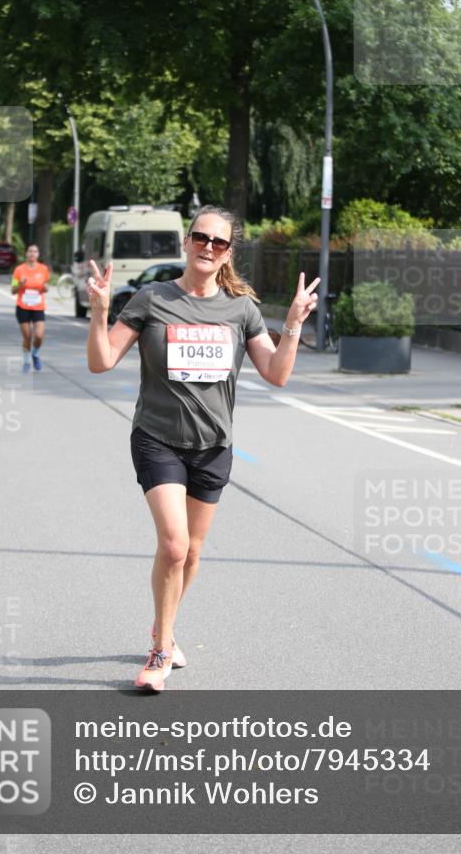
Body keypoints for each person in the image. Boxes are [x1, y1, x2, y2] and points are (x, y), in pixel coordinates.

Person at [86, 205, 319, 692]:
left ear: (229, 253)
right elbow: (102, 361)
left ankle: (163, 625)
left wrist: (294, 322)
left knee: (191, 553)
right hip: (157, 439)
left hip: (213, 446)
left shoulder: (241, 310)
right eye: (201, 237)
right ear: (186, 241)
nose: (208, 247)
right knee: (173, 545)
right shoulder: (152, 299)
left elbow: (276, 374)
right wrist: (101, 310)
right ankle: (160, 651)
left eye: (219, 242)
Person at [11, 244, 50, 372]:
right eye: (30, 251)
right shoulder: (18, 270)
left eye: (35, 251)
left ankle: (35, 354)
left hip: (38, 307)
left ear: (38, 254)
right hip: (23, 307)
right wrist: (20, 285)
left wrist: (45, 288)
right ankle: (27, 361)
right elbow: (13, 290)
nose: (32, 253)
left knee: (38, 336)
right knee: (27, 336)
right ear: (26, 254)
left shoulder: (43, 269)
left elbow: (46, 286)